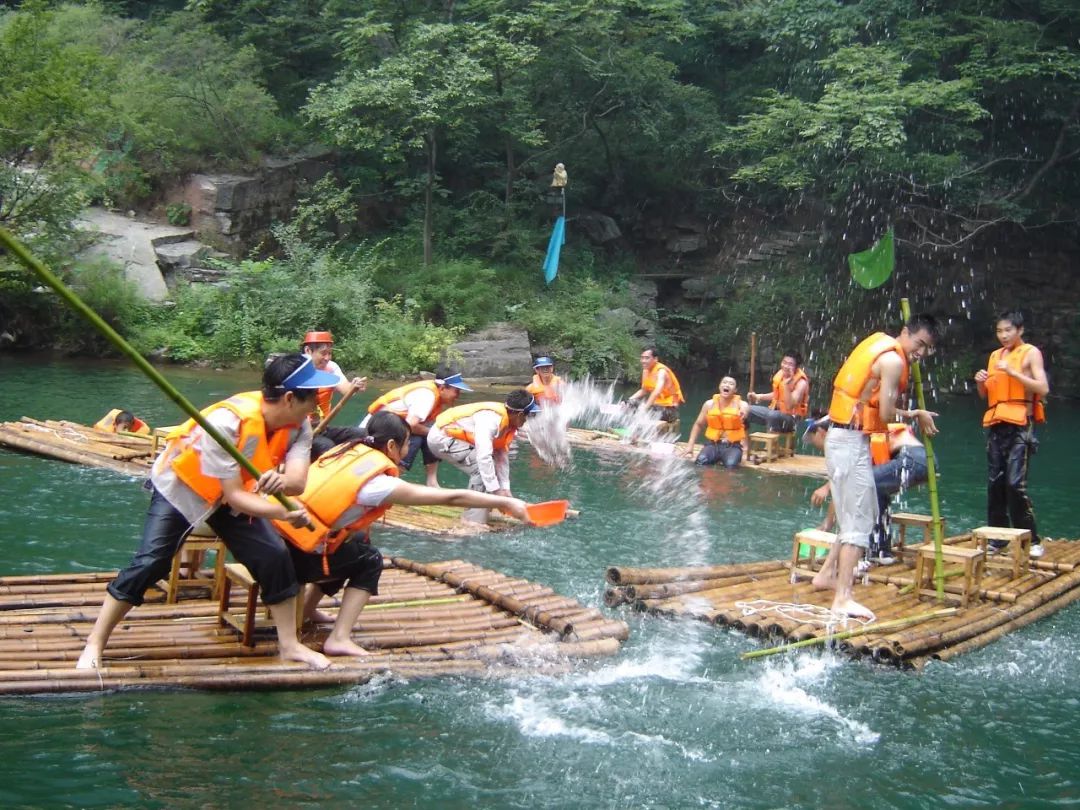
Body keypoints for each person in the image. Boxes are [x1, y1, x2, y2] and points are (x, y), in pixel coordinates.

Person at [75, 354, 341, 671]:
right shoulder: (226, 424)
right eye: (311, 396)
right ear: (288, 398)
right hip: (183, 486)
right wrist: (282, 514)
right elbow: (235, 498)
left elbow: (296, 483)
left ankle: (289, 645)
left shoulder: (300, 426)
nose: (316, 403)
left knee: (273, 555)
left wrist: (281, 481)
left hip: (238, 492)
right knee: (151, 562)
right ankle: (95, 641)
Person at [273, 412, 532, 657]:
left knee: (354, 542)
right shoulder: (378, 484)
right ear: (391, 447)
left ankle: (307, 609)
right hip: (299, 554)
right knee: (369, 560)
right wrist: (506, 503)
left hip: (279, 540)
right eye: (407, 444)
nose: (408, 451)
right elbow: (452, 497)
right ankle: (339, 638)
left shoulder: (347, 451)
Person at [811, 316, 942, 619]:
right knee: (859, 521)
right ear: (905, 333)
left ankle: (827, 575)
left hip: (844, 439)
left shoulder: (880, 345)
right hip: (848, 442)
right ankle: (842, 597)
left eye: (927, 349)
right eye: (919, 344)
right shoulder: (893, 363)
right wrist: (916, 413)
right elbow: (884, 413)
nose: (920, 353)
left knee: (861, 513)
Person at [974, 310, 1049, 558]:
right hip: (997, 424)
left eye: (1008, 330)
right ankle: (998, 538)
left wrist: (1015, 373)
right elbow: (985, 395)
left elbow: (1043, 387)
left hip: (1020, 425)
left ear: (1020, 330)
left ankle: (1032, 539)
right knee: (995, 483)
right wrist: (980, 381)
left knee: (1015, 484)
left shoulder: (1030, 353)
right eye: (999, 331)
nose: (1003, 335)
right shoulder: (995, 356)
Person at [805, 418, 930, 563]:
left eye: (818, 445)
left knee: (863, 486)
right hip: (922, 462)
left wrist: (827, 522)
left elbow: (845, 482)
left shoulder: (850, 436)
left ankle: (872, 549)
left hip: (912, 459)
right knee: (875, 491)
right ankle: (879, 552)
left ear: (822, 433)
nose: (822, 451)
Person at [426, 389, 540, 524]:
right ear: (520, 414)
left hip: (455, 440)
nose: (529, 420)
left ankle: (486, 507)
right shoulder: (490, 420)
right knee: (481, 470)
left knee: (490, 472)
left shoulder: (509, 423)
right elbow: (483, 457)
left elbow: (501, 455)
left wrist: (505, 490)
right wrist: (497, 493)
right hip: (440, 438)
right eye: (529, 415)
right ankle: (472, 521)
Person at [361, 372, 473, 486]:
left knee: (431, 432)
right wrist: (435, 433)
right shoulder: (427, 396)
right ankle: (394, 476)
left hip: (390, 427)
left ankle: (432, 482)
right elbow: (410, 425)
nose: (458, 395)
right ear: (443, 388)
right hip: (374, 429)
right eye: (456, 391)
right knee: (422, 436)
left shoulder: (434, 394)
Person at [301, 330, 367, 426]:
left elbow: (346, 389)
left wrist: (355, 385)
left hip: (322, 426)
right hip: (299, 429)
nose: (327, 358)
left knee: (361, 434)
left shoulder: (331, 367)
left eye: (329, 353)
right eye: (323, 353)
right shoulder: (295, 368)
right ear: (308, 351)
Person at [683, 376, 750, 468]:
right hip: (713, 444)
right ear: (719, 386)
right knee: (700, 461)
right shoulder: (709, 404)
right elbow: (698, 425)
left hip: (733, 446)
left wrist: (743, 413)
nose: (727, 385)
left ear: (735, 390)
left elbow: (745, 411)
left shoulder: (741, 404)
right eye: (724, 382)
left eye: (731, 384)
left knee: (731, 465)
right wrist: (690, 446)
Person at [625, 347, 685, 437]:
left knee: (642, 408)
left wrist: (645, 408)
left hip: (669, 409)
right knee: (630, 404)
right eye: (642, 358)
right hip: (656, 406)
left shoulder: (662, 372)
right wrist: (628, 401)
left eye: (647, 358)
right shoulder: (646, 370)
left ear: (655, 359)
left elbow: (657, 391)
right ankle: (635, 433)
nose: (643, 361)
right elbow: (644, 390)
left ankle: (637, 434)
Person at [747, 351, 810, 433]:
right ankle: (744, 444)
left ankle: (770, 445)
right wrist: (758, 396)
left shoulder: (801, 383)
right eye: (784, 362)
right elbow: (777, 395)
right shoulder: (781, 374)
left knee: (773, 415)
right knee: (744, 408)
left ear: (796, 367)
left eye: (790, 364)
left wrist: (787, 385)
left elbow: (790, 405)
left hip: (791, 419)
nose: (786, 366)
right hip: (774, 412)